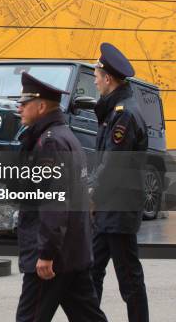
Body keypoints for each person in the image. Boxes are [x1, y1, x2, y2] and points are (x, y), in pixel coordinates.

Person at [14, 72, 107, 322]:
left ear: (41, 106)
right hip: (72, 252)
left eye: (25, 102)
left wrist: (46, 253)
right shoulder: (63, 136)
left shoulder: (50, 143)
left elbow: (54, 203)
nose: (19, 107)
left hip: (53, 259)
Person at [89, 43, 149, 322]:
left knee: (129, 278)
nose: (95, 81)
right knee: (91, 270)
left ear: (108, 79)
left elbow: (113, 163)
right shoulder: (115, 110)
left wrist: (91, 192)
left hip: (119, 207)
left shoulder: (124, 113)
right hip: (108, 207)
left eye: (97, 76)